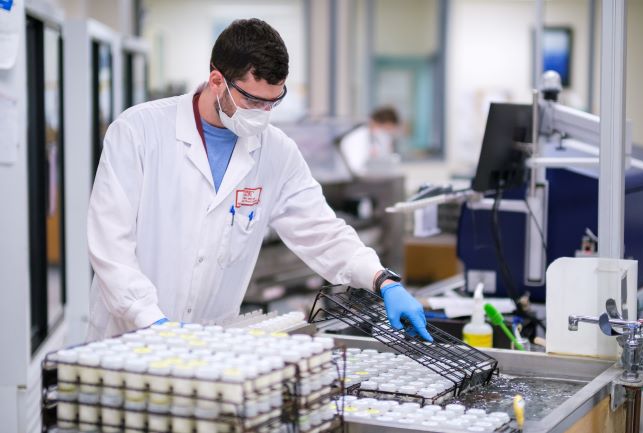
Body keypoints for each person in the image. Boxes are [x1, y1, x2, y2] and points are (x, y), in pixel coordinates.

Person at [86, 18, 431, 343]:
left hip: (209, 340)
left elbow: (321, 230)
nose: (262, 114)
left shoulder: (276, 151)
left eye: (272, 102)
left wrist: (381, 279)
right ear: (217, 80)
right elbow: (111, 246)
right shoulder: (139, 132)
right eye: (251, 100)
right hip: (130, 336)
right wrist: (150, 321)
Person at [340, 106, 401, 176]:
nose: (388, 133)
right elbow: (356, 167)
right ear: (386, 123)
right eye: (389, 129)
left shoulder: (377, 138)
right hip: (354, 179)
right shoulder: (357, 136)